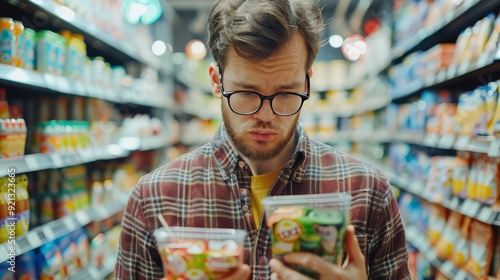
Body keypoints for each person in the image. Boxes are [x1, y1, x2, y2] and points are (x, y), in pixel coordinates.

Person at [114, 0, 410, 279]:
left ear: (307, 82)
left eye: (285, 93)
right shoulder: (153, 199)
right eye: (247, 93)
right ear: (217, 82)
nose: (266, 115)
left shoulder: (368, 191)